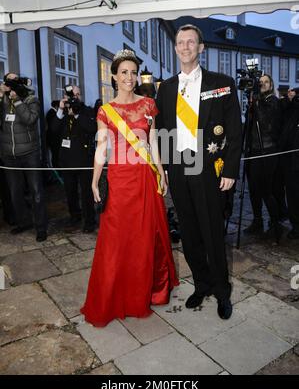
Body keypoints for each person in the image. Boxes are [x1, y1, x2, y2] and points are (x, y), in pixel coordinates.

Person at [81, 49, 179, 327]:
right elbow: (102, 147)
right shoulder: (105, 110)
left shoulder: (148, 104)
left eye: (133, 72)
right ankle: (116, 295)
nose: (129, 77)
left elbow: (154, 143)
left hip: (145, 178)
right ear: (113, 76)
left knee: (145, 236)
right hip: (120, 180)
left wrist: (161, 170)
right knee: (117, 240)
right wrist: (93, 179)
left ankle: (147, 291)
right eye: (123, 72)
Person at [156, 24, 242, 320]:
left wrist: (230, 169)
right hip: (179, 167)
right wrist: (164, 169)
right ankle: (201, 283)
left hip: (208, 167)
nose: (185, 46)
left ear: (201, 48)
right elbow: (163, 130)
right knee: (190, 233)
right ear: (176, 48)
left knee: (212, 231)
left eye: (191, 42)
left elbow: (235, 131)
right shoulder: (165, 88)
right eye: (181, 42)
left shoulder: (223, 83)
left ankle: (221, 289)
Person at [0, 73, 48, 241]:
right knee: (15, 193)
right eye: (8, 80)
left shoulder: (30, 99)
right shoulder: (3, 100)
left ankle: (41, 227)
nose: (11, 83)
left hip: (30, 153)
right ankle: (23, 222)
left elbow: (30, 119)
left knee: (36, 192)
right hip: (9, 155)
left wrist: (18, 100)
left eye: (15, 80)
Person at [49, 86, 97, 233]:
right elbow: (53, 130)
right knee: (70, 192)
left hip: (83, 160)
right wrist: (60, 110)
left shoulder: (87, 111)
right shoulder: (62, 112)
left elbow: (91, 128)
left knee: (86, 192)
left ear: (80, 96)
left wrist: (76, 114)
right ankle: (75, 216)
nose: (75, 98)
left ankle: (89, 221)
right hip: (67, 160)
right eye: (72, 95)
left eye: (77, 94)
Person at [244, 74, 283, 241]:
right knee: (253, 189)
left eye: (266, 82)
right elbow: (250, 122)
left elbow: (266, 124)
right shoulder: (257, 101)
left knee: (267, 190)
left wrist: (257, 102)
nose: (263, 84)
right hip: (254, 150)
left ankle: (275, 224)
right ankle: (257, 220)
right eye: (260, 82)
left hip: (268, 151)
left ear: (271, 84)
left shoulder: (273, 101)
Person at [279, 88, 299, 239]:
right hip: (289, 158)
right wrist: (289, 100)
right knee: (291, 193)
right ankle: (296, 226)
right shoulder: (289, 106)